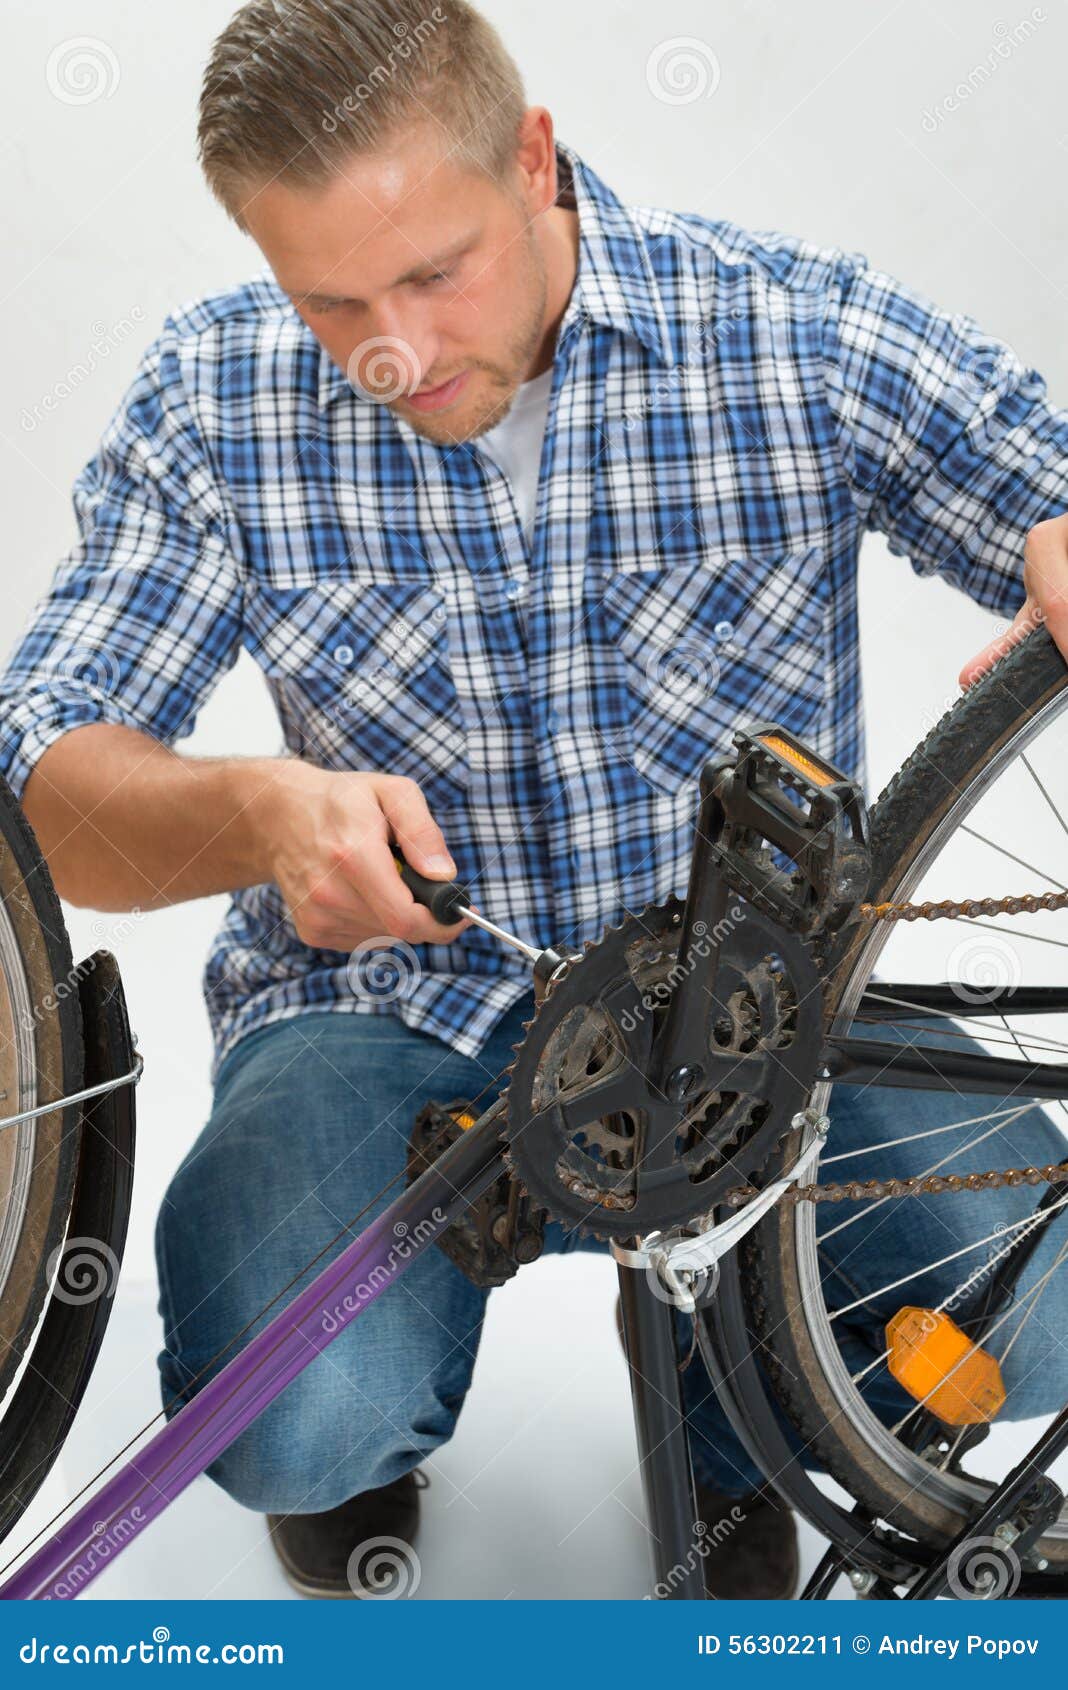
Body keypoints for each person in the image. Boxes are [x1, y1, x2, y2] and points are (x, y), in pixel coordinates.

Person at [3, 0, 1068, 1601]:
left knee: (1042, 1303)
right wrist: (263, 816)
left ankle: (739, 1412)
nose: (398, 353)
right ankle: (378, 1441)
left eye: (437, 272)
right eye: (331, 300)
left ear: (535, 158)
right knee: (289, 1418)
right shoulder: (213, 396)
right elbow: (40, 792)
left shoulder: (784, 326)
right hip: (392, 1014)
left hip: (753, 1020)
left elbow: (1043, 486)